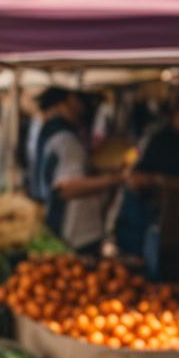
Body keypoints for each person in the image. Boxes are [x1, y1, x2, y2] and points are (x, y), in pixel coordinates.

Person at [114, 98, 179, 269]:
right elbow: (138, 178)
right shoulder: (160, 141)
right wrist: (157, 181)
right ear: (173, 118)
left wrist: (163, 181)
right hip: (151, 210)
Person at [34, 88, 122, 254]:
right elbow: (67, 188)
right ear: (70, 100)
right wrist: (116, 179)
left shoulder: (49, 130)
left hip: (60, 223)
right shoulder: (65, 138)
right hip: (74, 231)